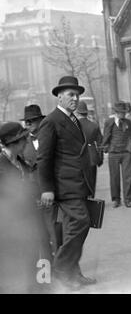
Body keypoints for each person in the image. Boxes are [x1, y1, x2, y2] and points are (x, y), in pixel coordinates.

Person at [37, 76, 96, 290]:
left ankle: (74, 272)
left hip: (78, 184)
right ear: (59, 96)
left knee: (75, 227)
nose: (75, 98)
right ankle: (61, 269)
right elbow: (44, 158)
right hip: (64, 186)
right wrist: (47, 189)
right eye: (70, 94)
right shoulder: (51, 121)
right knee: (81, 221)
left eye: (77, 94)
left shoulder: (73, 120)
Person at [0, 122, 40, 293]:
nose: (26, 144)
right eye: (24, 140)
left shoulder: (19, 161)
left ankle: (34, 286)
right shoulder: (2, 166)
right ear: (15, 142)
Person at [20, 105, 60, 263]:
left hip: (53, 191)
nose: (28, 123)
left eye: (32, 120)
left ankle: (62, 266)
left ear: (41, 121)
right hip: (34, 194)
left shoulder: (51, 137)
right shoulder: (22, 143)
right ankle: (48, 268)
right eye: (26, 121)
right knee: (40, 234)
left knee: (56, 232)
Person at [102, 102, 131, 208]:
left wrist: (130, 148)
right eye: (121, 113)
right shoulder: (109, 122)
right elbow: (106, 136)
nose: (124, 114)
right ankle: (116, 199)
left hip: (126, 153)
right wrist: (105, 148)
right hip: (113, 153)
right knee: (114, 177)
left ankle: (127, 199)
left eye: (124, 112)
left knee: (127, 177)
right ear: (116, 113)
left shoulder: (128, 122)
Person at [75, 101, 104, 197]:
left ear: (77, 112)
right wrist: (100, 159)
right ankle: (91, 199)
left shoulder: (73, 125)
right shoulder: (94, 125)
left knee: (81, 181)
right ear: (86, 112)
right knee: (91, 181)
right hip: (92, 156)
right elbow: (100, 144)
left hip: (78, 156)